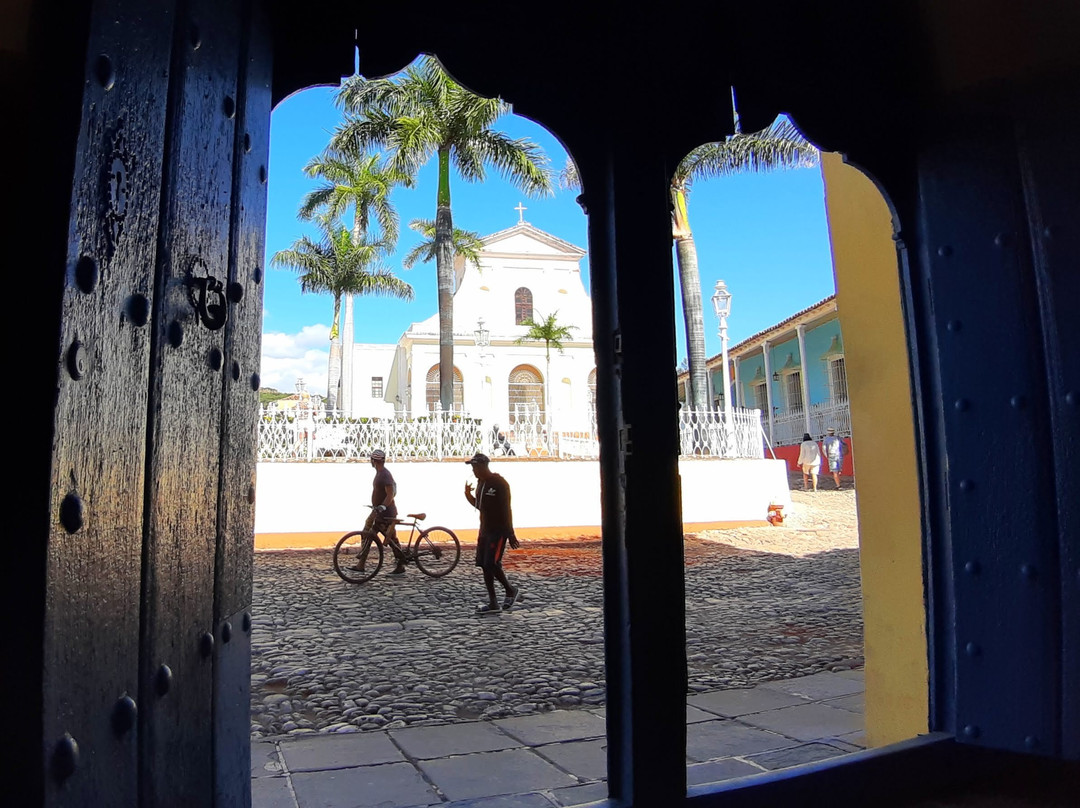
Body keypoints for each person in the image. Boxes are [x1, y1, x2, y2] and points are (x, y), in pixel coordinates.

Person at [463, 453, 520, 613]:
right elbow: (479, 506)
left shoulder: (500, 484)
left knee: (492, 563)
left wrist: (510, 533)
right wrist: (468, 495)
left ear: (482, 467)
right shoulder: (481, 483)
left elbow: (506, 509)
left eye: (475, 467)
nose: (473, 471)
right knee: (484, 565)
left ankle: (510, 590)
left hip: (498, 531)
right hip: (485, 530)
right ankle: (493, 602)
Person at [353, 449, 407, 574]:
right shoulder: (380, 473)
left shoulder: (384, 475)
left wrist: (382, 506)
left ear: (374, 461)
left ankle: (401, 562)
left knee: (391, 539)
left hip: (386, 513)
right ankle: (361, 563)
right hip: (378, 512)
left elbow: (390, 493)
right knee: (368, 533)